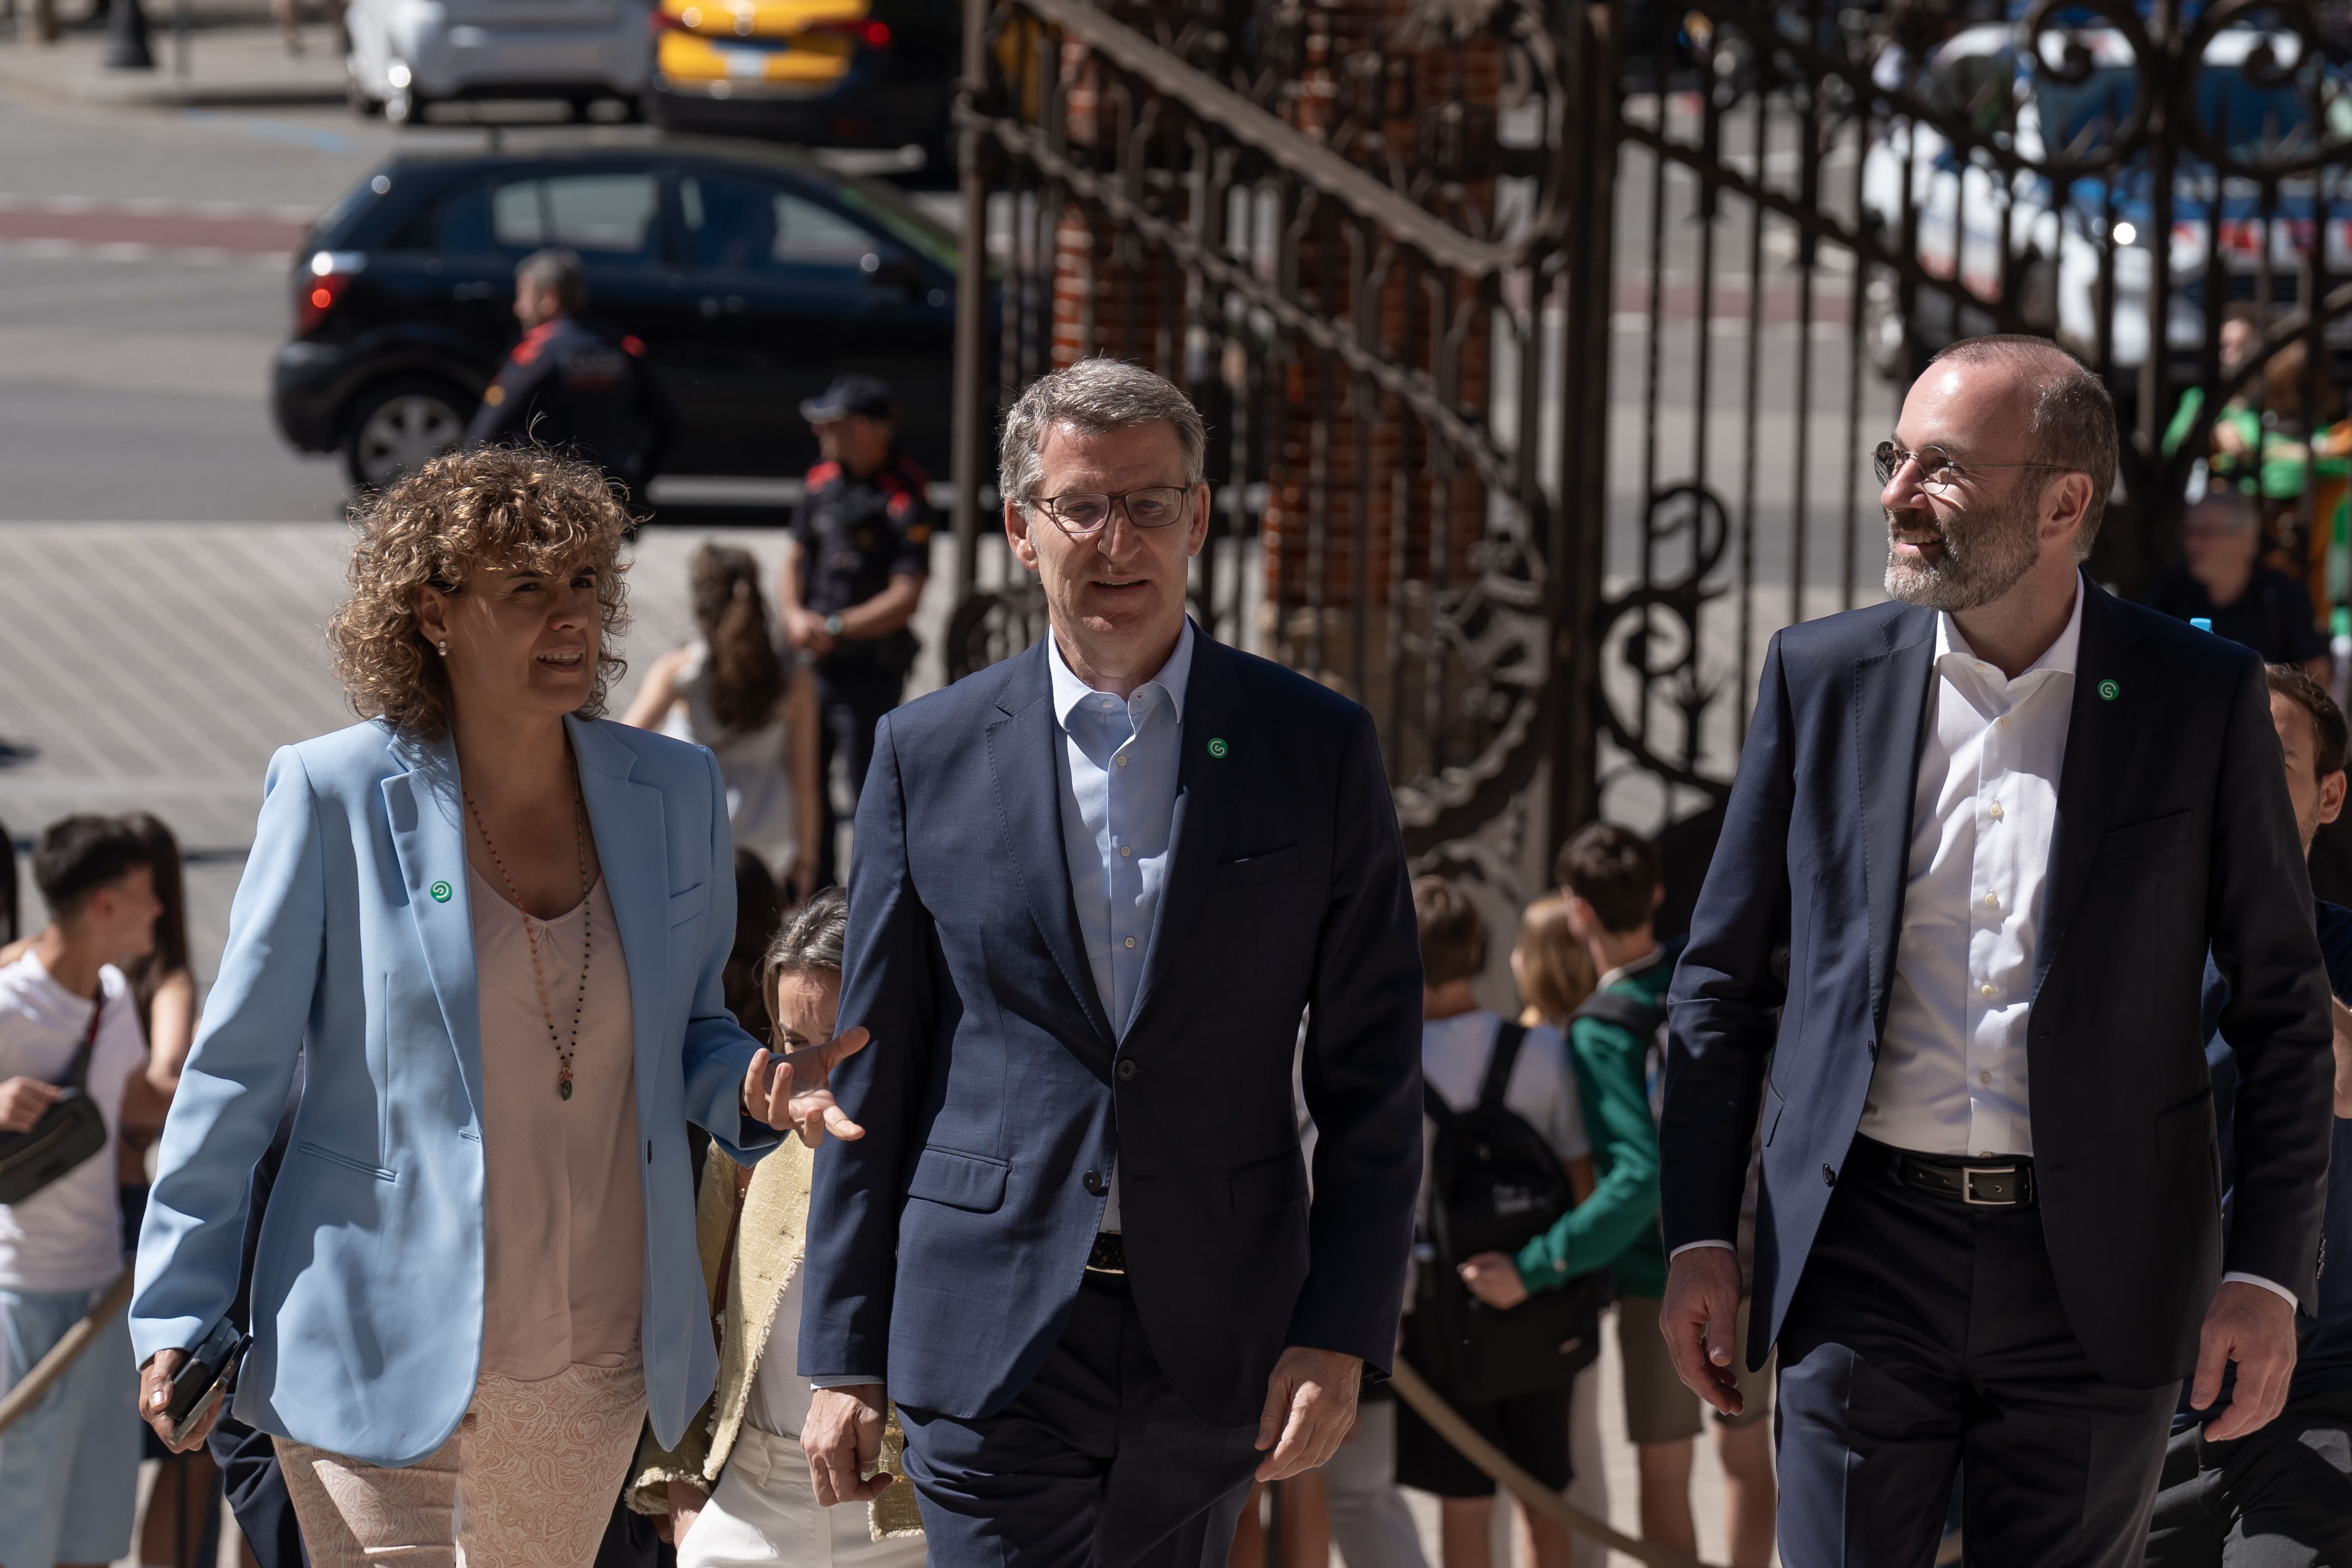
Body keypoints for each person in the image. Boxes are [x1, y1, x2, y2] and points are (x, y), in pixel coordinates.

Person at [1660, 335, 2335, 1566]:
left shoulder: (2197, 695)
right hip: (1859, 1257)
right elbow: (1719, 980)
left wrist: (2265, 1273)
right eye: (1893, 457)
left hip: (2100, 1270)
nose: (1895, 494)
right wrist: (1698, 1232)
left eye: (1941, 468)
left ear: (2063, 503)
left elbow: (2281, 1009)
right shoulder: (1819, 676)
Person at [793, 357, 1425, 1568]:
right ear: (1019, 528)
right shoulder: (922, 752)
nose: (1114, 539)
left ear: (1197, 517)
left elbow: (1371, 1078)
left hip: (1218, 1333)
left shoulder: (1314, 747)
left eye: (1147, 504)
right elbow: (876, 1061)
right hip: (985, 1330)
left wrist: (1340, 1329)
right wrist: (844, 1345)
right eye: (1079, 504)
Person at [128, 445, 805, 1567]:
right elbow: (234, 1073)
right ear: (436, 614)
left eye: (587, 582)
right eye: (528, 590)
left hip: (594, 1353)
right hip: (369, 1333)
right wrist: (176, 1310)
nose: (573, 617)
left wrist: (749, 1082)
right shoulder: (332, 791)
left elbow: (690, 1033)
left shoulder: (674, 790)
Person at [627, 885, 925, 1568]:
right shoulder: (749, 1148)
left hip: (910, 1519)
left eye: (841, 1043)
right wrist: (686, 1509)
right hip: (753, 1508)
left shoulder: (945, 1159)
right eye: (795, 1042)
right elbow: (692, 1321)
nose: (815, 1071)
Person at [2144, 662, 2352, 1566]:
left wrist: (2265, 921)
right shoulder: (2130, 946)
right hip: (2139, 1406)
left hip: (2317, 1402)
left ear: (2330, 795)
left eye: (2275, 760)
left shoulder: (2341, 948)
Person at [1527, 827, 1776, 1567]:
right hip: (1754, 1246)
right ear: (1657, 893)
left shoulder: (1600, 1031)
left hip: (1656, 1274)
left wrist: (1539, 1264)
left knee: (1665, 1473)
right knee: (1745, 1456)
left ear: (1577, 912)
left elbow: (1634, 1176)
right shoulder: (1703, 976)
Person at [1396, 875, 1589, 1568]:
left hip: (1441, 1306)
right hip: (1535, 1294)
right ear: (1477, 947)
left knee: (1464, 1506)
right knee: (1545, 1499)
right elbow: (1579, 1178)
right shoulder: (1540, 1052)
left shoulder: (1392, 1064)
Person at [0, 814, 162, 1568]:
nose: (160, 908)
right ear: (105, 904)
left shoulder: (110, 997)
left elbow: (135, 1109)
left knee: (94, 1534)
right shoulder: (8, 1002)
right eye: (145, 892)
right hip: (19, 1298)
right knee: (17, 1530)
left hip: (101, 1301)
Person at [775, 374, 934, 887]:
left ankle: (874, 891)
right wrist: (795, 614)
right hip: (812, 665)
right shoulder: (822, 480)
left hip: (869, 671)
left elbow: (906, 595)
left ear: (865, 429)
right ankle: (814, 888)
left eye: (831, 423)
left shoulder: (904, 494)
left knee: (869, 789)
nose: (821, 433)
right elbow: (795, 557)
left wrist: (840, 627)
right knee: (805, 782)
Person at [624, 543, 822, 900]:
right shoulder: (793, 676)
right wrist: (807, 859)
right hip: (766, 835)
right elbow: (805, 778)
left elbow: (622, 743)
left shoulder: (680, 670)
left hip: (689, 828)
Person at [1506, 894, 1607, 1568]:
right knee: (1578, 1447)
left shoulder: (1543, 1044)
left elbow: (1585, 1180)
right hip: (1581, 1269)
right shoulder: (1590, 1034)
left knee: (1546, 1462)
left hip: (1543, 1268)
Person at [464, 248, 679, 493]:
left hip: (546, 503)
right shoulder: (623, 347)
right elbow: (668, 426)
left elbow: (483, 436)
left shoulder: (538, 353)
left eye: (522, 296)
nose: (518, 308)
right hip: (608, 502)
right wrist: (636, 479)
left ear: (548, 298)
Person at [2144, 487, 2330, 677]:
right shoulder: (2170, 589)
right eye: (2188, 531)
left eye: (2206, 532)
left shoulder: (2283, 593)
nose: (2192, 543)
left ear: (2245, 539)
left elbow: (2316, 676)